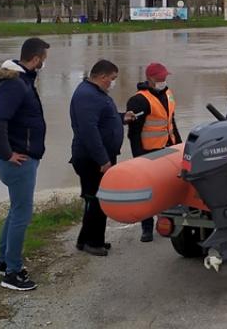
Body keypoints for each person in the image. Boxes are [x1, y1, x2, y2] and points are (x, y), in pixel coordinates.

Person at [0, 37, 49, 292]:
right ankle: (12, 272)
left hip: (23, 158)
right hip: (19, 161)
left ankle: (2, 261)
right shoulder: (15, 86)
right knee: (22, 214)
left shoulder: (22, 81)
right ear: (34, 59)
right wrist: (7, 153)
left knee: (15, 211)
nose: (44, 63)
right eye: (43, 59)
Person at [69, 59, 130, 257]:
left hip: (99, 155)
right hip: (92, 159)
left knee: (95, 199)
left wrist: (122, 118)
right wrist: (103, 160)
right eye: (112, 79)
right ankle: (93, 242)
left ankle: (85, 239)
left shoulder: (95, 93)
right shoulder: (87, 95)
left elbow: (104, 117)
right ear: (102, 77)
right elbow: (89, 131)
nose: (112, 83)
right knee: (96, 200)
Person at [125, 61, 180, 242]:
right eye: (160, 78)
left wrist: (179, 146)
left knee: (169, 187)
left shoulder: (168, 93)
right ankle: (146, 228)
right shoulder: (139, 100)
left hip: (168, 149)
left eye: (165, 77)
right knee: (147, 191)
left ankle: (168, 221)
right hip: (148, 152)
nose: (164, 80)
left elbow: (171, 122)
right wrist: (138, 159)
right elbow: (133, 133)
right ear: (150, 78)